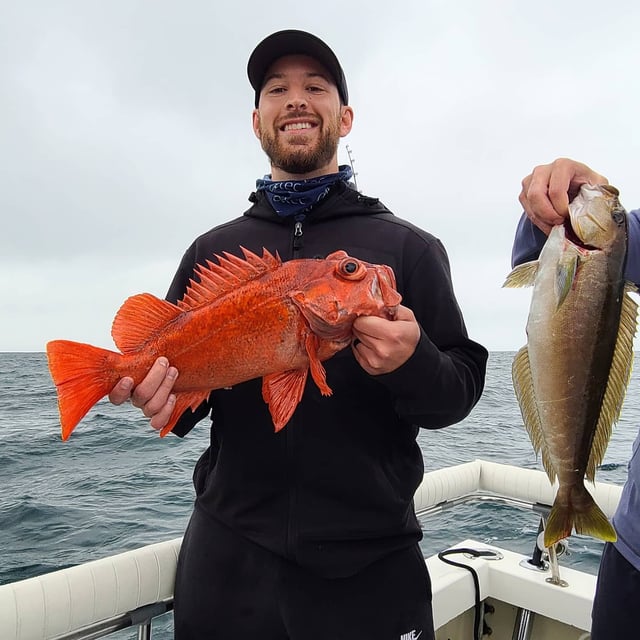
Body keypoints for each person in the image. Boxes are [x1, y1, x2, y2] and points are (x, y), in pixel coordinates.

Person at [109, 30, 488, 640]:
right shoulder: (212, 251)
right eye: (276, 89)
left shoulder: (406, 250)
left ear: (345, 115)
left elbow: (459, 389)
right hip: (228, 557)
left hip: (371, 565)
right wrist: (153, 396)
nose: (296, 100)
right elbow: (184, 408)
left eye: (315, 86)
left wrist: (414, 361)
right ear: (257, 120)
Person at [512, 157, 640, 640]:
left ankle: (572, 495)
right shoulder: (611, 240)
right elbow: (528, 256)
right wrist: (548, 205)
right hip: (634, 557)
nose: (614, 209)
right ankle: (573, 492)